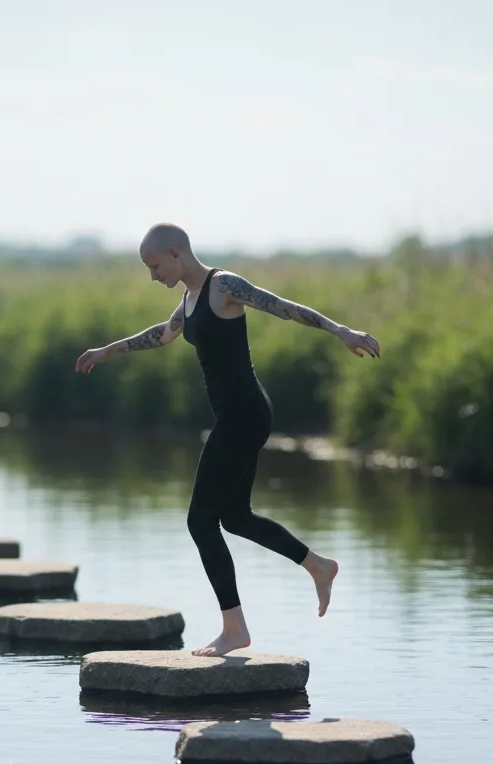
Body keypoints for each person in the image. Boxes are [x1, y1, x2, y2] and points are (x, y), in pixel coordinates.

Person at [75, 223, 380, 657]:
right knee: (234, 517)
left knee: (200, 521)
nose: (152, 275)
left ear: (176, 254)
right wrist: (107, 351)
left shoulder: (223, 286)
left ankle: (234, 629)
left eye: (154, 265)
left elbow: (282, 307)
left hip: (243, 415)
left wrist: (342, 331)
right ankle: (318, 566)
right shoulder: (190, 300)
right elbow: (162, 336)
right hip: (239, 416)